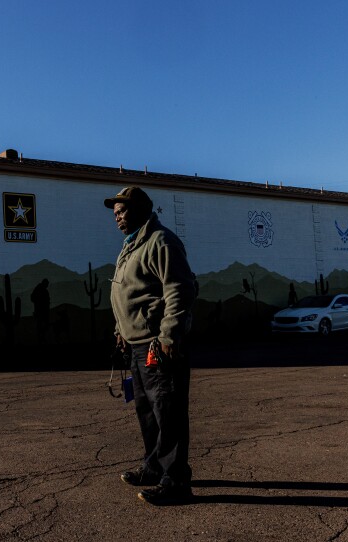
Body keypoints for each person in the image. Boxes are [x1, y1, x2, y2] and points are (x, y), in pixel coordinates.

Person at [104, 186, 197, 506]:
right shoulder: (130, 246)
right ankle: (154, 467)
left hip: (158, 345)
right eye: (114, 212)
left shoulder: (161, 241)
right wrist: (120, 330)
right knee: (147, 410)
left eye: (123, 210)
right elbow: (128, 292)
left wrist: (169, 336)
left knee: (167, 411)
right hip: (135, 344)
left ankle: (176, 481)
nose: (117, 215)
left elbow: (180, 290)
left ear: (142, 209)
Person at [30, 278, 51, 343]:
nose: (47, 285)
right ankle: (41, 339)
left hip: (42, 311)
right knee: (41, 325)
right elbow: (33, 298)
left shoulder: (42, 290)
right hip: (40, 311)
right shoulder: (40, 290)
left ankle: (41, 338)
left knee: (43, 325)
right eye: (47, 284)